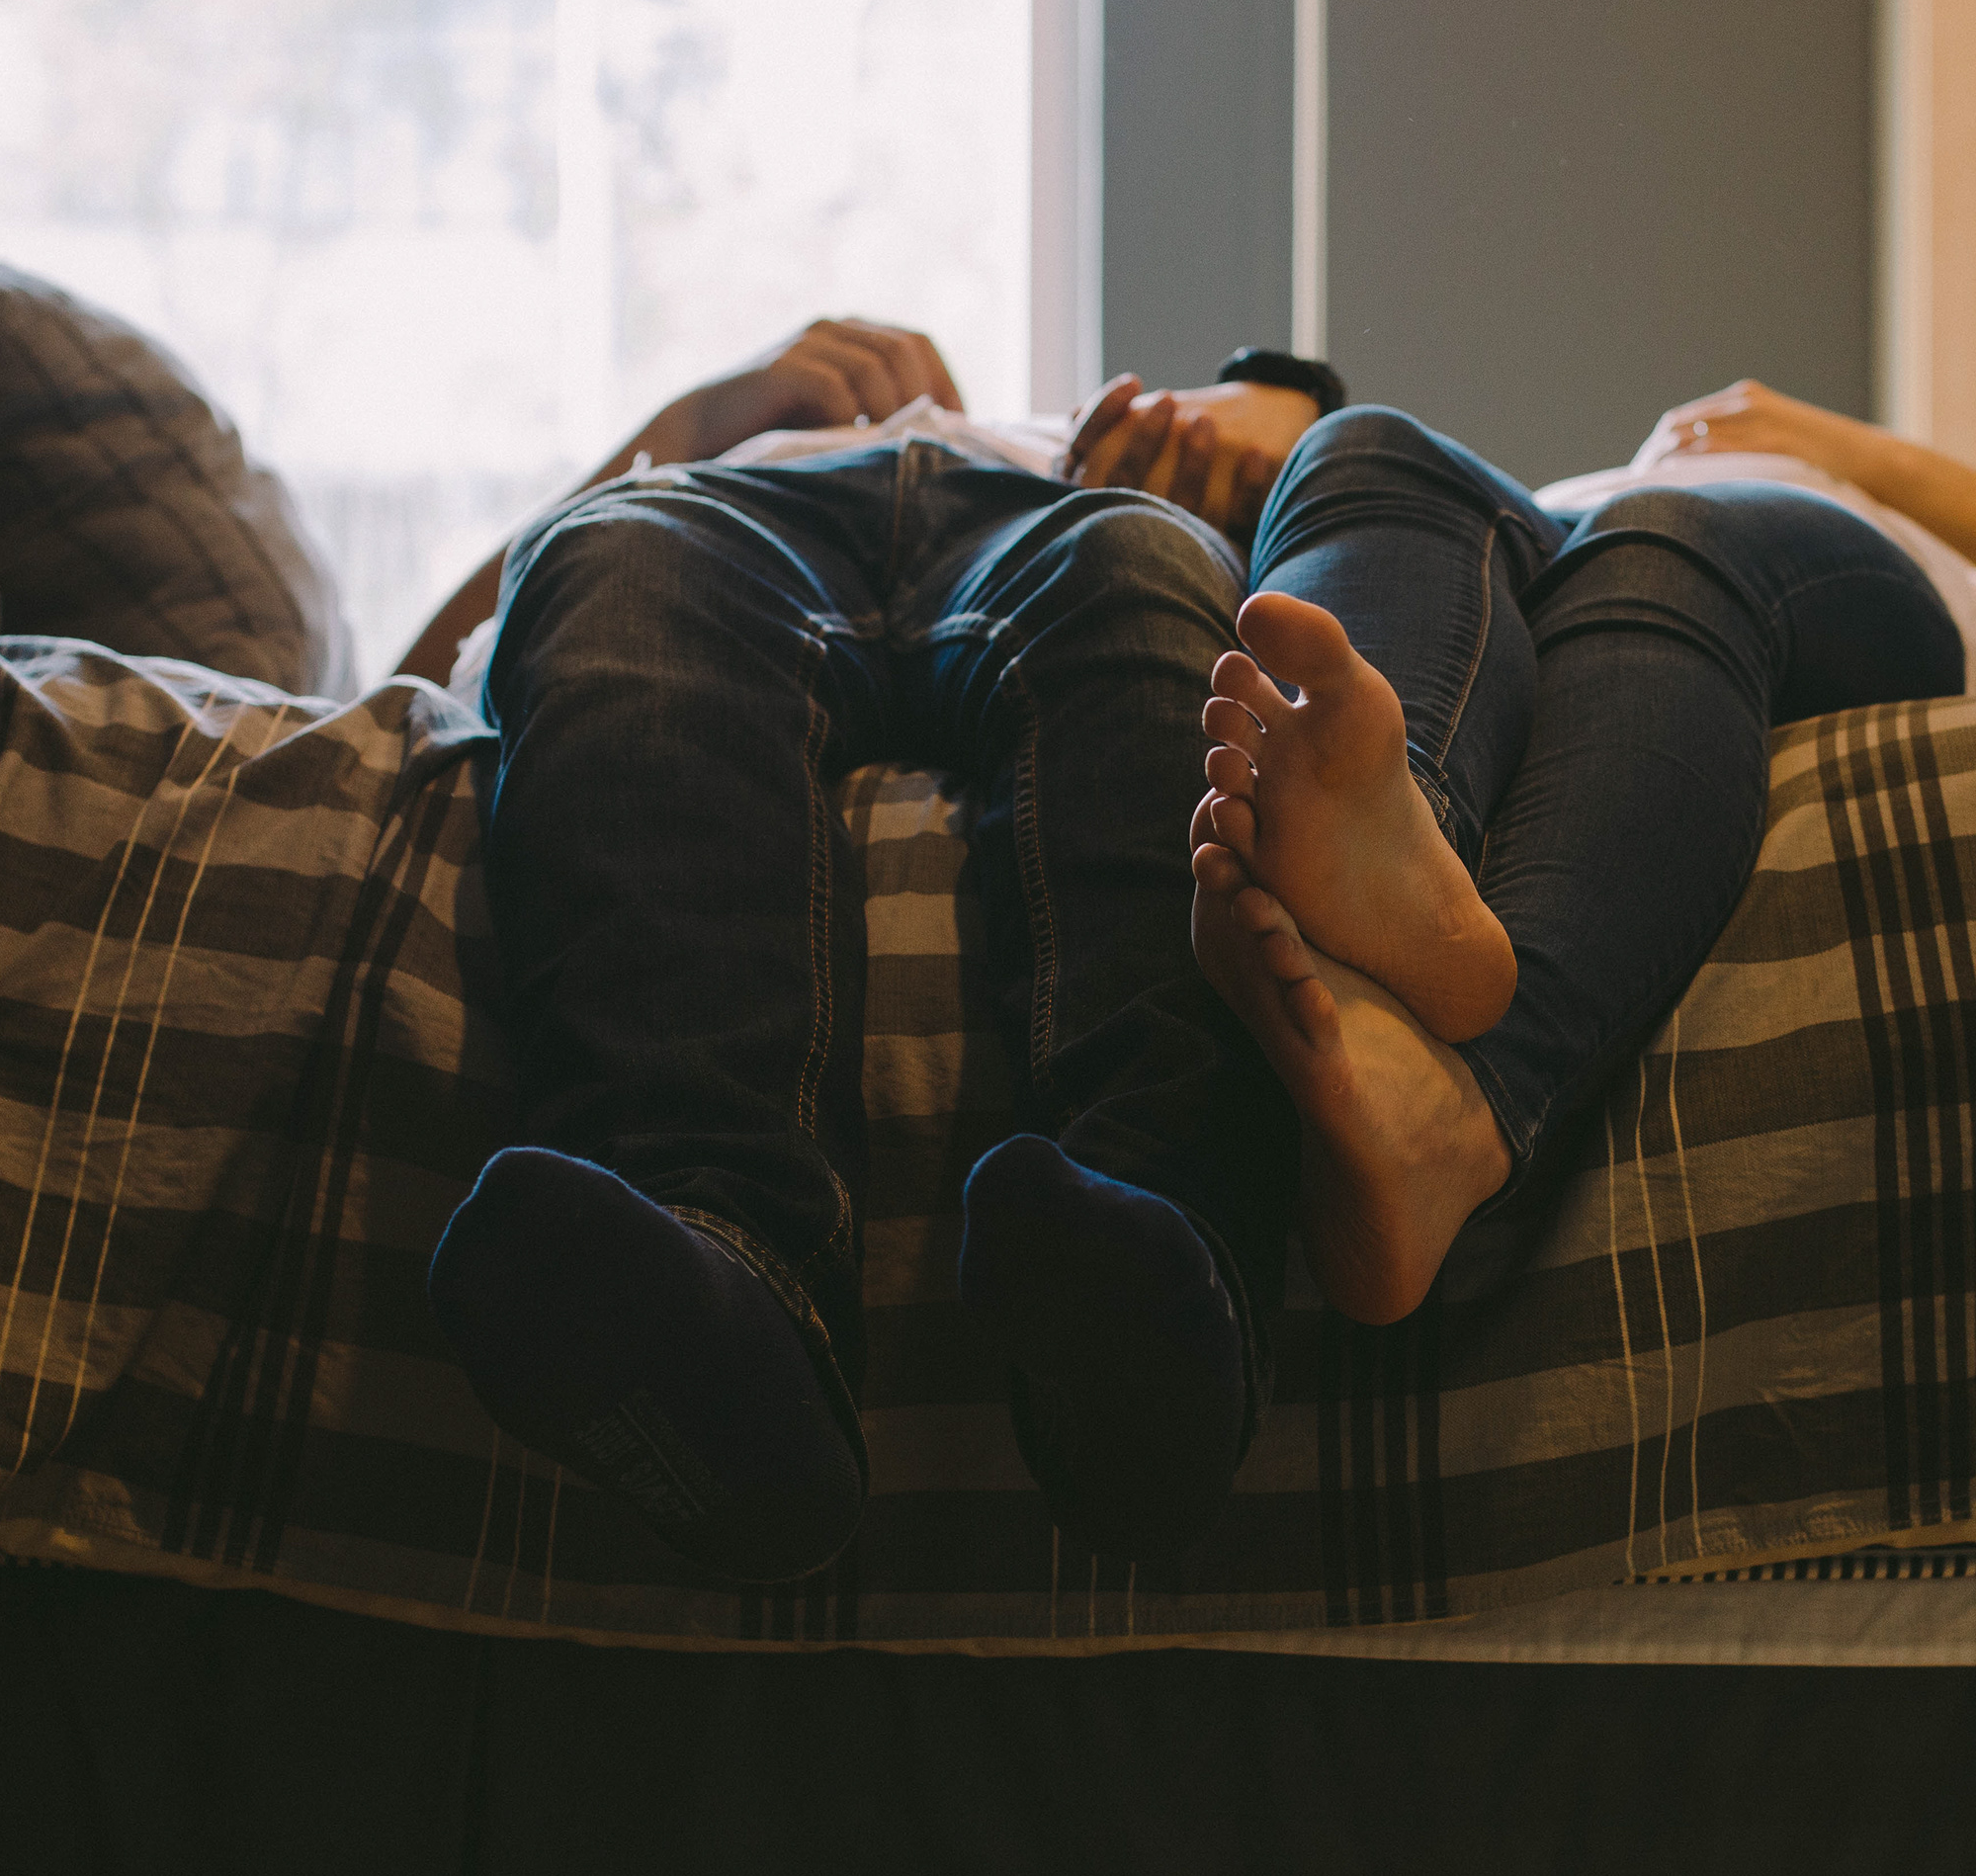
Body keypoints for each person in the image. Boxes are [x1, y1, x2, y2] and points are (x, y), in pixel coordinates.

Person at [415, 320, 1339, 1586]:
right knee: (611, 571)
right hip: (724, 512)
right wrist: (694, 422)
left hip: (1054, 509)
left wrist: (1286, 422)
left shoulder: (1110, 460)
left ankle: (1163, 1280)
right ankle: (719, 1302)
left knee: (1146, 578)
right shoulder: (703, 458)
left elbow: (1366, 533)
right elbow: (410, 676)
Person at [1183, 380, 1976, 1328]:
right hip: (1549, 561)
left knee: (1662, 535)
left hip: (1799, 587)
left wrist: (1862, 455)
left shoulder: (1932, 566)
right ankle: (1397, 836)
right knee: (1363, 447)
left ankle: (1462, 1110)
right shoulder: (1567, 514)